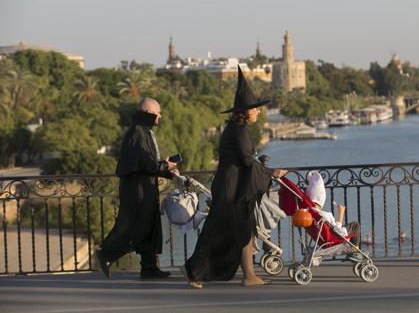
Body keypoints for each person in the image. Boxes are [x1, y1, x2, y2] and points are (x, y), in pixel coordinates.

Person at [181, 66, 287, 289]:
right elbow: (248, 161)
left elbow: (245, 161)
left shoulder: (235, 129)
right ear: (244, 111)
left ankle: (249, 274)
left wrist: (266, 173)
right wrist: (272, 173)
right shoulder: (239, 132)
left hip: (234, 188)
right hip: (232, 190)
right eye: (255, 109)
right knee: (218, 230)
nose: (258, 112)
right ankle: (193, 269)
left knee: (243, 229)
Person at [96, 98, 178, 279]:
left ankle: (149, 268)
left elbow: (145, 163)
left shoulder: (142, 131)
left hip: (143, 186)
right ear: (149, 113)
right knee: (139, 226)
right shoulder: (138, 133)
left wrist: (163, 166)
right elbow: (147, 164)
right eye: (158, 113)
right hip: (138, 189)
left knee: (149, 226)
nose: (160, 116)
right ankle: (107, 253)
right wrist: (165, 167)